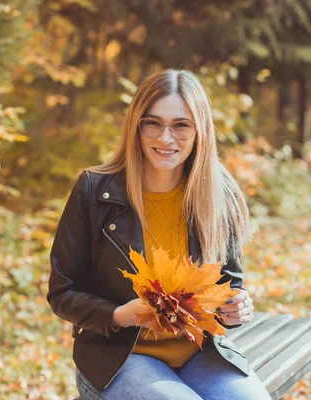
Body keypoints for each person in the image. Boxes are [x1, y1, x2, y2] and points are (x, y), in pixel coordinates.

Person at [47, 69, 272, 400]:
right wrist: (119, 315)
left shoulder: (217, 192)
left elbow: (229, 286)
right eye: (152, 123)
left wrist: (235, 308)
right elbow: (62, 292)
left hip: (201, 353)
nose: (165, 139)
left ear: (200, 131)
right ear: (136, 127)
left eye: (181, 125)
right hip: (119, 358)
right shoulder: (94, 190)